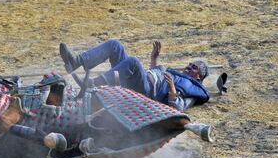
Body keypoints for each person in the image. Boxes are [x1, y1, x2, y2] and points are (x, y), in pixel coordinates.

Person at [59, 39, 210, 111]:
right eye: (190, 64)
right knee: (115, 45)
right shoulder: (175, 74)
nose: (189, 67)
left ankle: (92, 84)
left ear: (199, 76)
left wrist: (172, 88)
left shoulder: (193, 89)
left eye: (194, 67)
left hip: (146, 93)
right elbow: (155, 72)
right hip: (140, 80)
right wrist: (154, 58)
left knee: (133, 62)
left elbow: (177, 108)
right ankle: (75, 62)